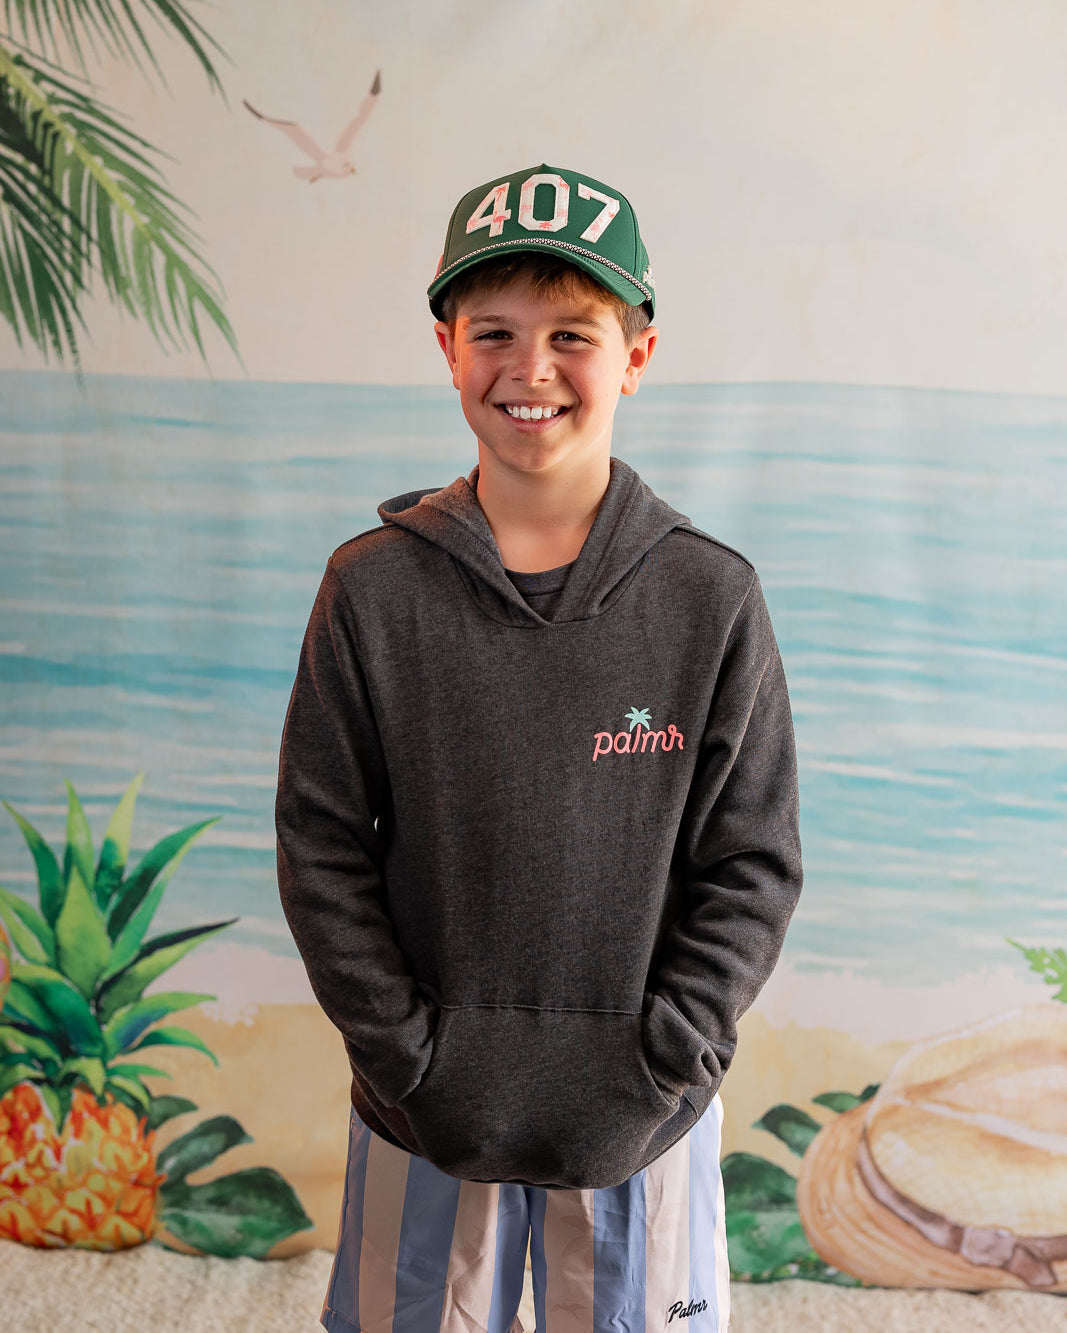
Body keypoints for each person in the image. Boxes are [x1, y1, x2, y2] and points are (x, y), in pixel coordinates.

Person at [276, 162, 804, 1333]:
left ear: (636, 355)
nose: (531, 369)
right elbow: (321, 847)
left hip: (643, 1110)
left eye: (573, 333)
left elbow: (750, 867)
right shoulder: (370, 590)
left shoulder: (709, 595)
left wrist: (661, 1059)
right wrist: (406, 1057)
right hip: (421, 1104)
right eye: (494, 332)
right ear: (445, 345)